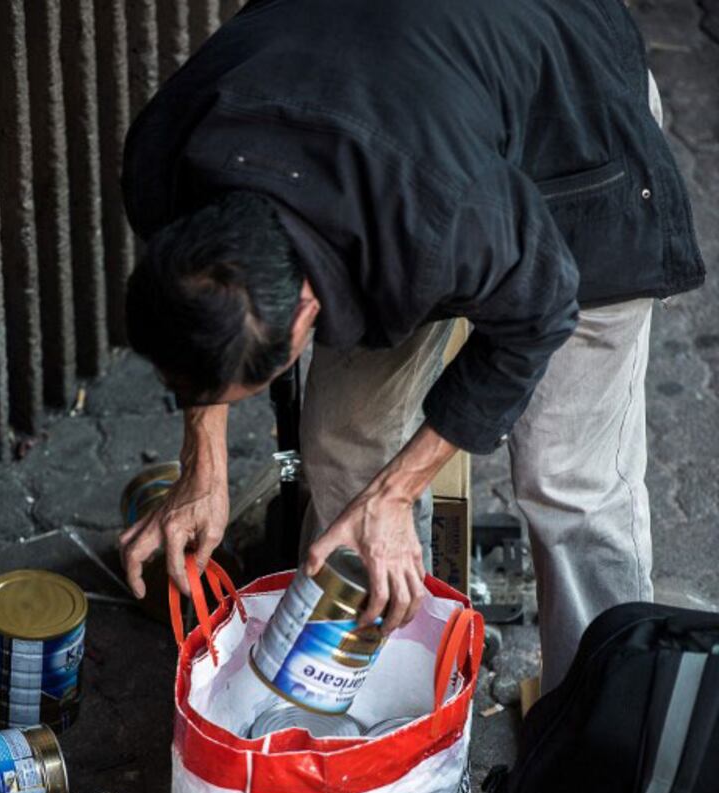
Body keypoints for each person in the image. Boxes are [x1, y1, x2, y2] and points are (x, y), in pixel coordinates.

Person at [120, 0, 703, 691]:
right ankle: (385, 691)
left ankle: (602, 723)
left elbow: (539, 312)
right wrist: (202, 468)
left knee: (566, 480)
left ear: (305, 311)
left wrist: (396, 495)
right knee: (342, 445)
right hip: (406, 114)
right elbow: (198, 335)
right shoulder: (168, 162)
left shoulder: (443, 214)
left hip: (573, 129)